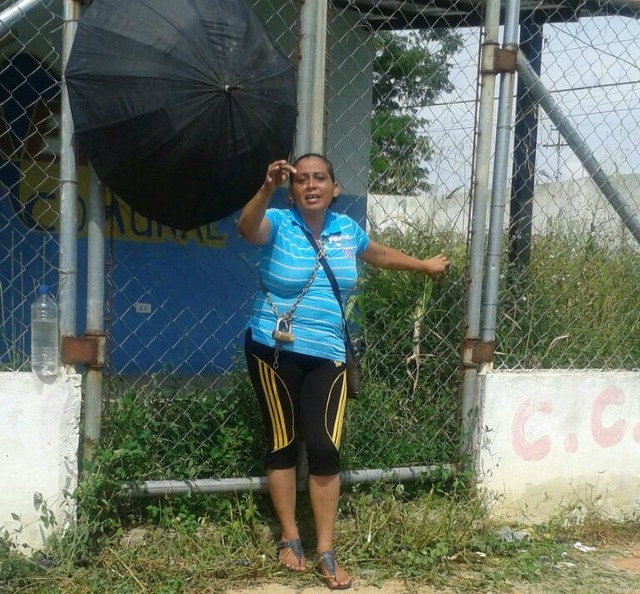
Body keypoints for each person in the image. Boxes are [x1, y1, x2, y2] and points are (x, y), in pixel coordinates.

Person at [237, 154, 449, 590]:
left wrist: (424, 264)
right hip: (271, 348)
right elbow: (246, 228)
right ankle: (290, 536)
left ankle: (326, 550)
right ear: (292, 189)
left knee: (324, 447)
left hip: (330, 352)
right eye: (301, 180)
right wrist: (265, 188)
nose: (310, 185)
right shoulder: (277, 221)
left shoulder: (346, 230)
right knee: (282, 440)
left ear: (335, 189)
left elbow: (382, 256)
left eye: (320, 179)